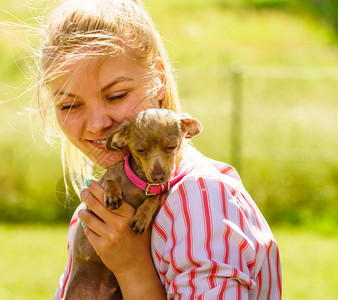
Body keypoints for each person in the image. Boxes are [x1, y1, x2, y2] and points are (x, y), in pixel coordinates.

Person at [31, 0, 282, 298]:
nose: (98, 123)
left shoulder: (199, 200)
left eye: (117, 95)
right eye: (70, 105)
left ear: (159, 80)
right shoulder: (95, 210)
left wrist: (133, 269)